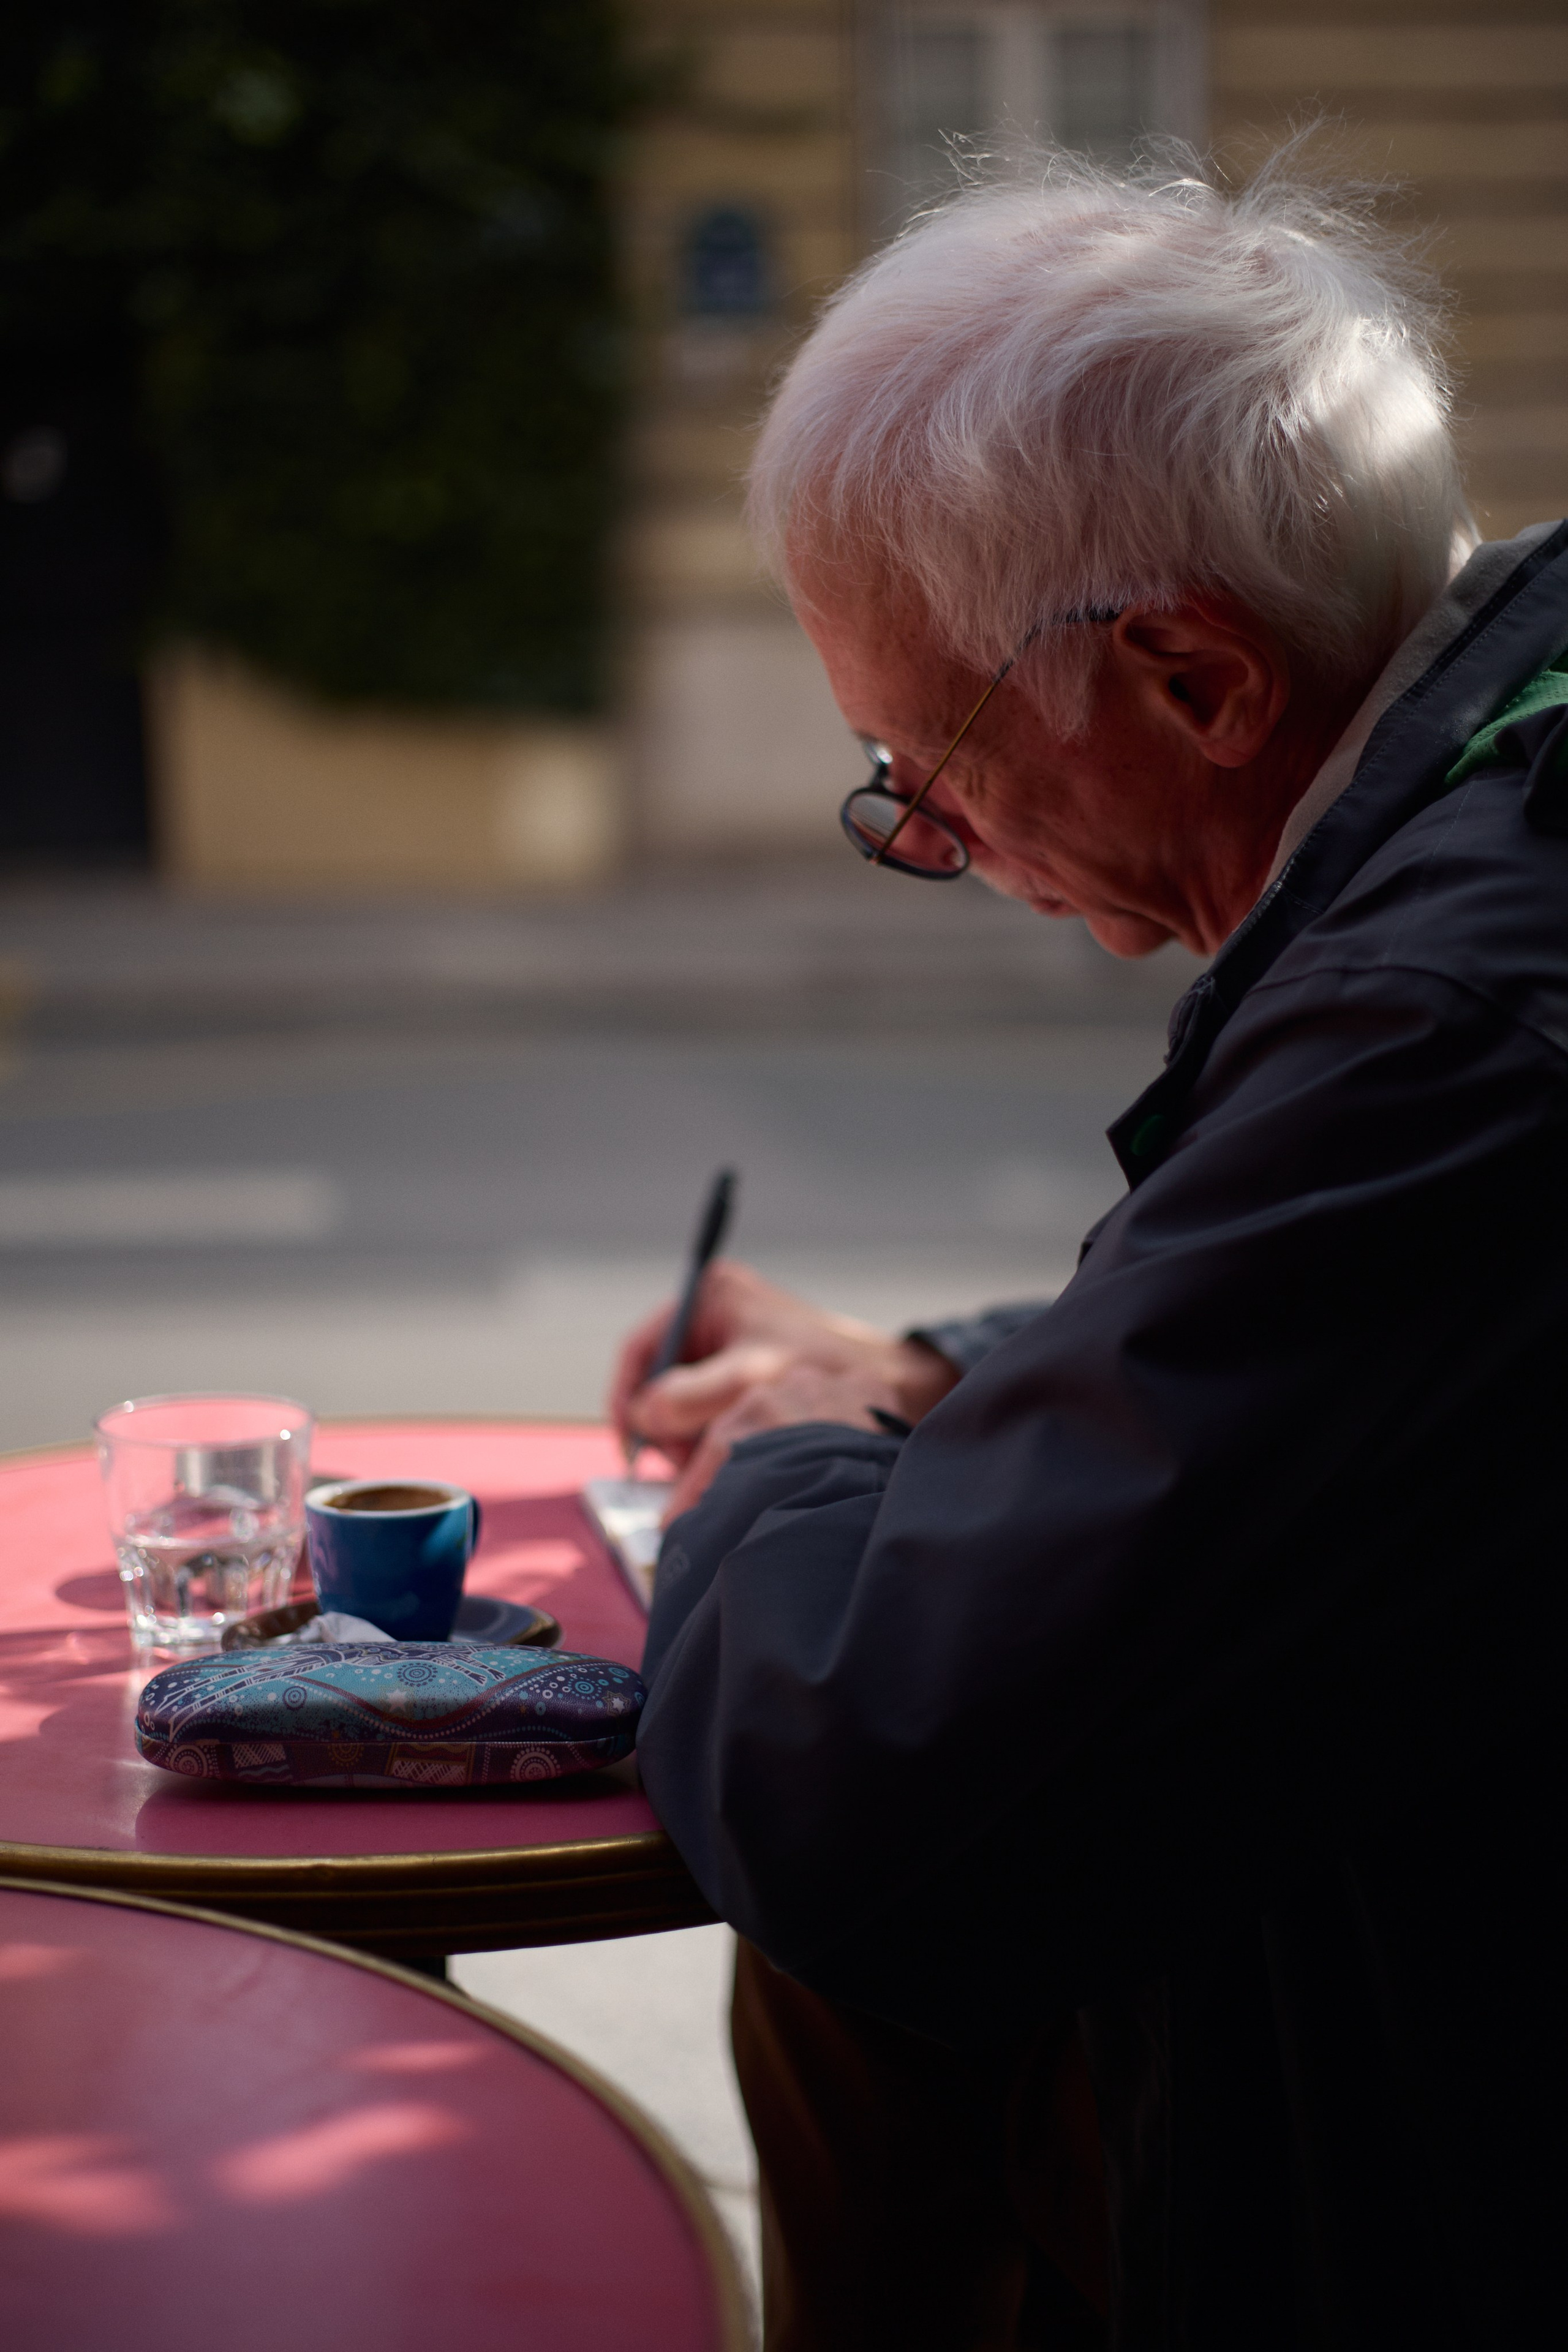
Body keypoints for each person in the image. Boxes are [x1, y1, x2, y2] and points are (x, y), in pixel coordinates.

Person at [609, 150, 1568, 2351]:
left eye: (917, 769)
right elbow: (1373, 1356)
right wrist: (955, 1367)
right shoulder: (1496, 810)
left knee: (860, 1960)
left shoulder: (1455, 1021)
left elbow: (873, 1787)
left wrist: (800, 1453)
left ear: (1197, 680)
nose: (925, 837)